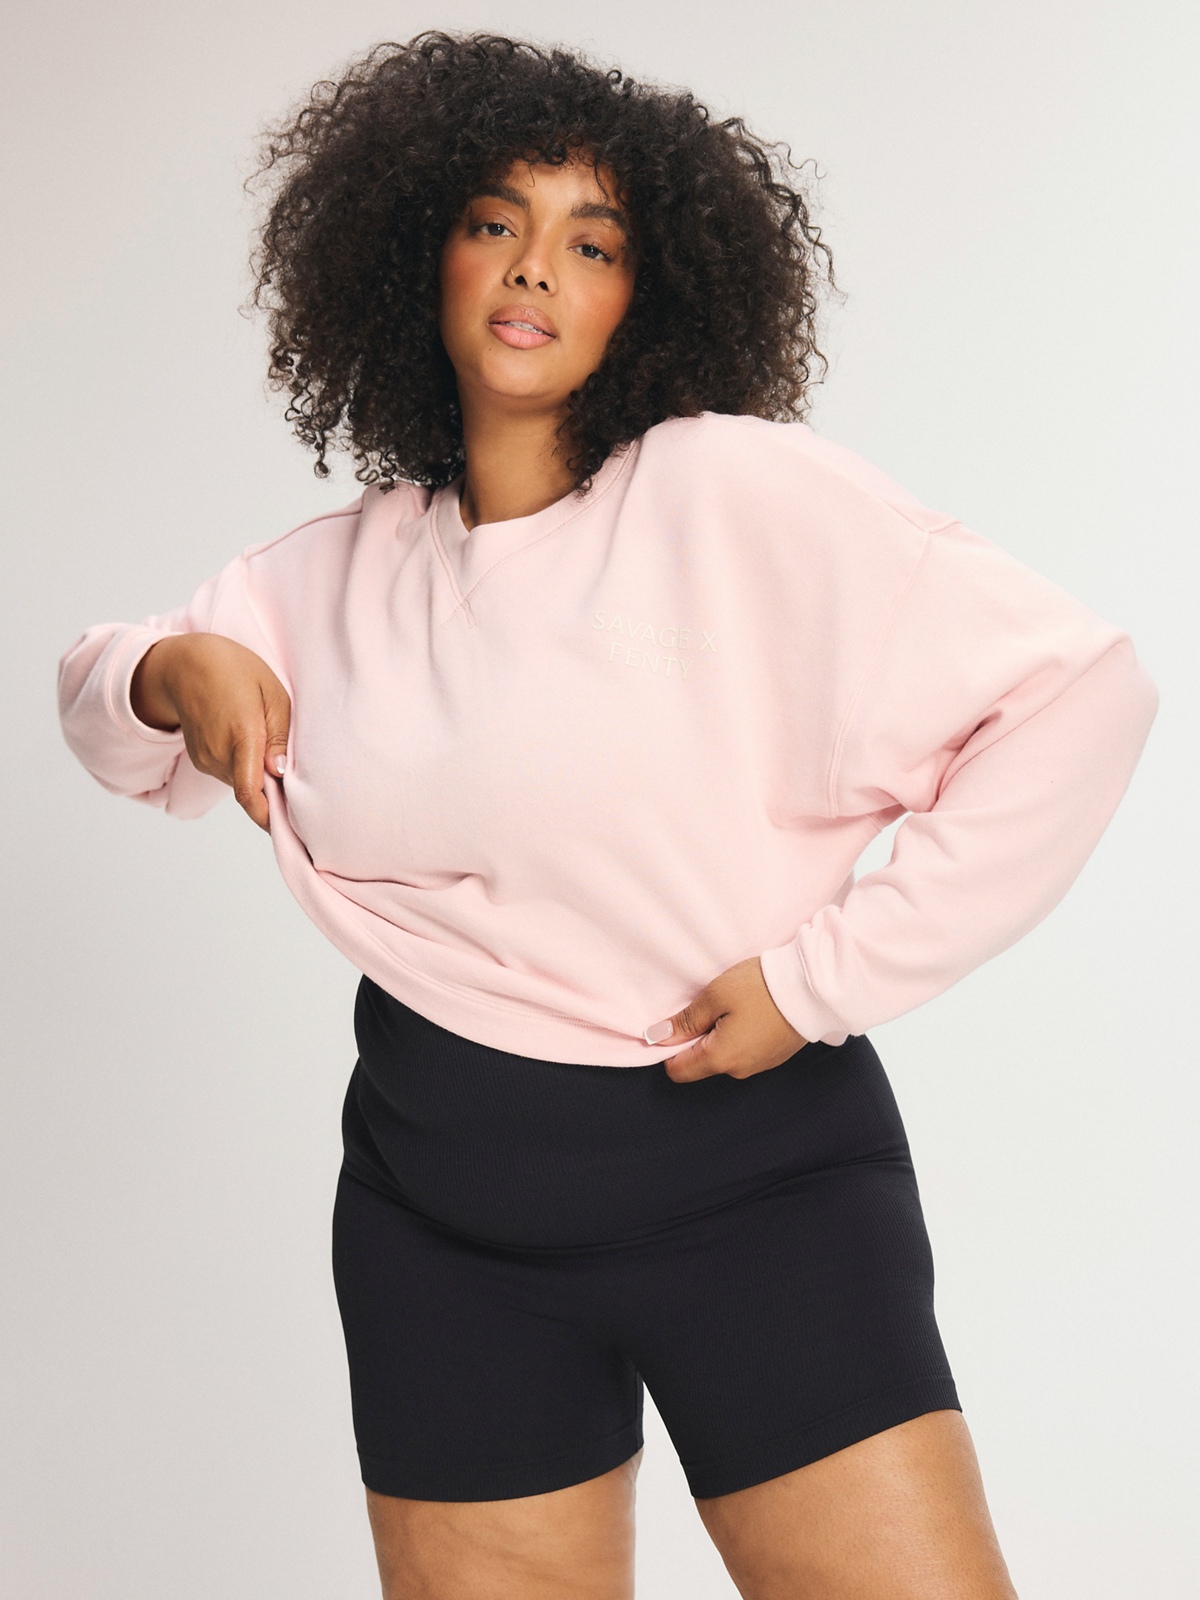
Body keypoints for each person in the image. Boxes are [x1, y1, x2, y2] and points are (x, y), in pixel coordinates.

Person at [56, 29, 1157, 1600]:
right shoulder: (335, 573)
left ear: (651, 293)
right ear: (421, 255)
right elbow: (104, 707)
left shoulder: (730, 493)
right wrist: (171, 669)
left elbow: (1081, 693)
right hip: (439, 1224)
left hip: (757, 1194)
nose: (534, 268)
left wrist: (825, 981)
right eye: (494, 222)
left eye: (593, 243)